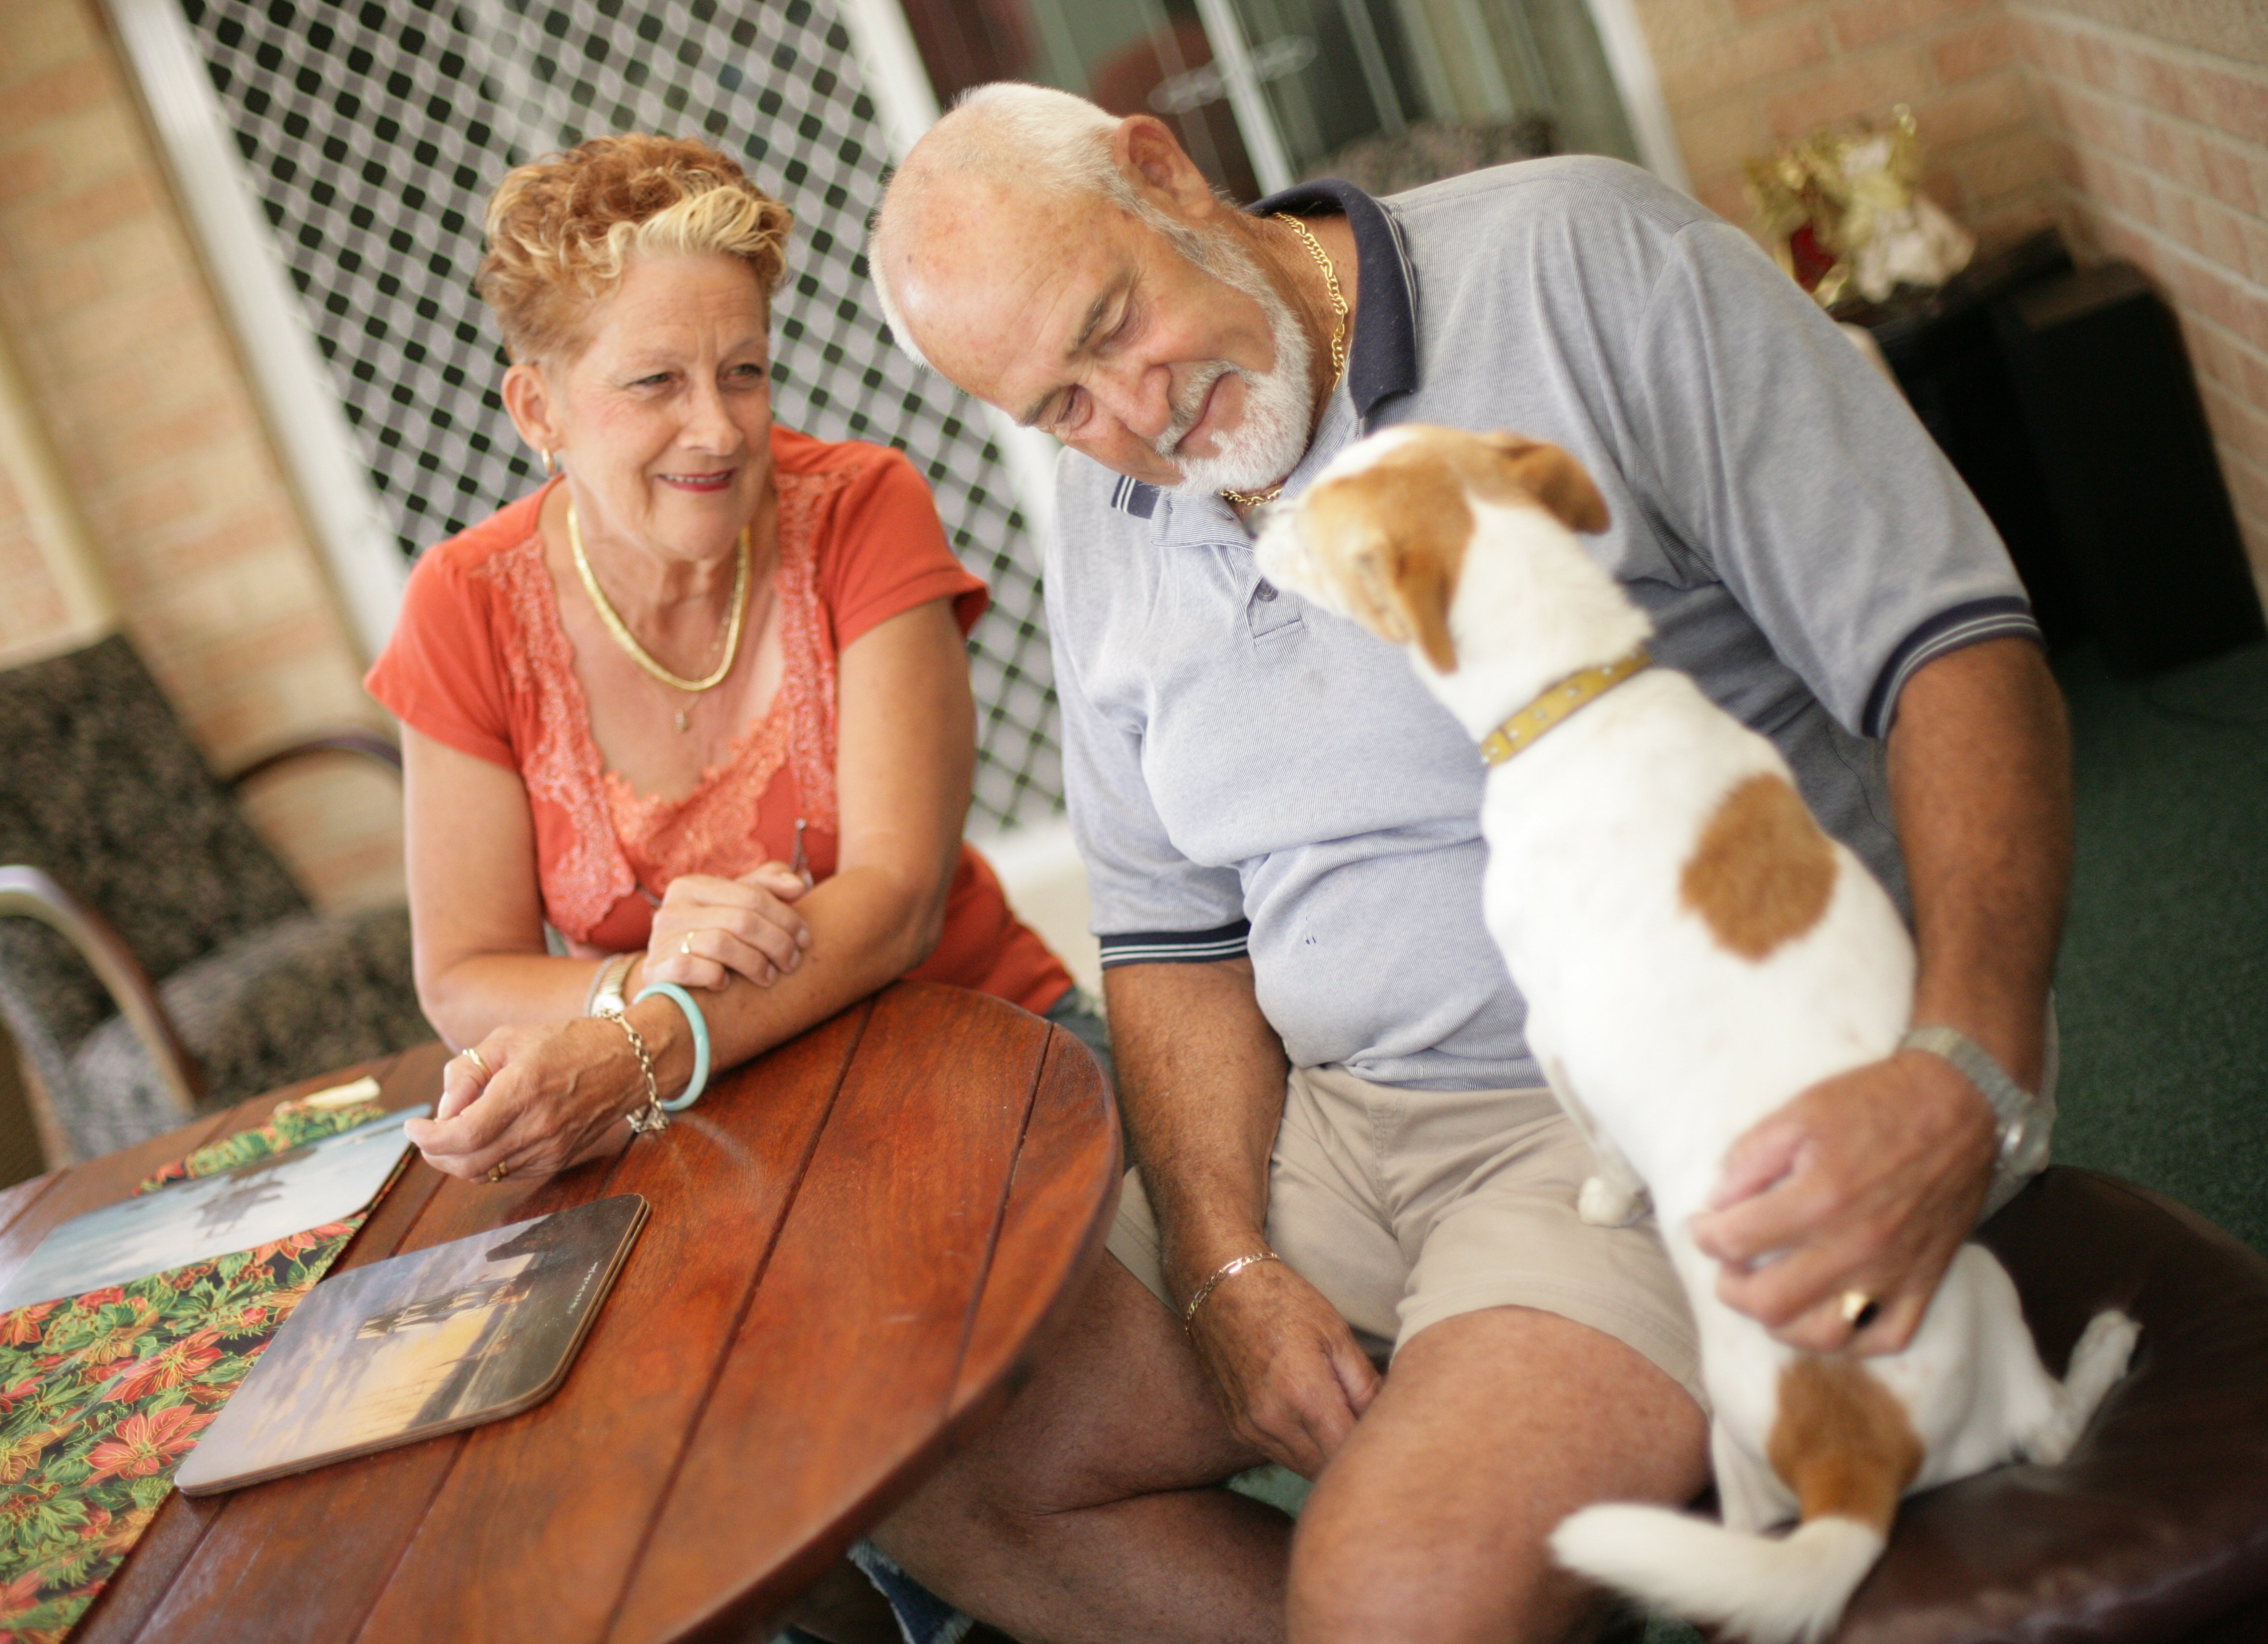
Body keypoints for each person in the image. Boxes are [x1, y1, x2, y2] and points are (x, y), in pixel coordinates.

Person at [860, 85, 2067, 1644]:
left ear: (1164, 172)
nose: (1132, 412)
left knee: (1392, 1597)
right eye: (1060, 405)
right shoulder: (1109, 510)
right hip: (1323, 1127)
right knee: (932, 1465)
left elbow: (1950, 644)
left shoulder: (1585, 257)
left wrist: (1970, 1058)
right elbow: (1169, 940)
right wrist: (1223, 1261)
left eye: (1115, 320)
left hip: (1634, 1116)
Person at [365, 131, 1096, 1196]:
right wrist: (643, 975)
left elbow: (897, 900)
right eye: (656, 380)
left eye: (743, 372)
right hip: (701, 1135)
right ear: (539, 409)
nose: (716, 429)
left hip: (976, 1047)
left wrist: (637, 1042)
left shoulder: (861, 508)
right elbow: (463, 975)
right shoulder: (462, 605)